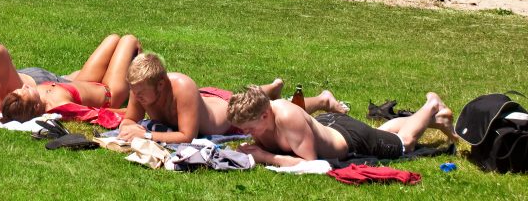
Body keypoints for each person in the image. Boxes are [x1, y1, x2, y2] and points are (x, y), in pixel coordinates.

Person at [118, 53, 345, 144]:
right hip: (209, 102)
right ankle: (269, 88)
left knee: (275, 111)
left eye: (138, 93)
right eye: (133, 91)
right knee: (248, 99)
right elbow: (129, 120)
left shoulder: (182, 87)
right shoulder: (140, 85)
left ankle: (323, 100)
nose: (134, 97)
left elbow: (187, 136)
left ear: (160, 84)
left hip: (224, 114)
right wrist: (126, 130)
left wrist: (146, 134)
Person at [227, 85, 456, 165]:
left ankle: (431, 106)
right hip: (331, 125)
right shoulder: (264, 120)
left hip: (351, 138)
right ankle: (436, 120)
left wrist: (265, 157)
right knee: (378, 133)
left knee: (404, 143)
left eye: (249, 128)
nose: (245, 133)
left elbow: (311, 163)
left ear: (265, 114)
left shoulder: (287, 117)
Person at [0, 34, 141, 123]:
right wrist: (131, 112)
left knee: (113, 39)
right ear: (37, 106)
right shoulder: (60, 105)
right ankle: (143, 79)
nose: (24, 86)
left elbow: (3, 108)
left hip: (83, 81)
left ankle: (128, 70)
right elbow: (97, 114)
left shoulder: (23, 103)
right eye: (26, 91)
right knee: (129, 40)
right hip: (109, 93)